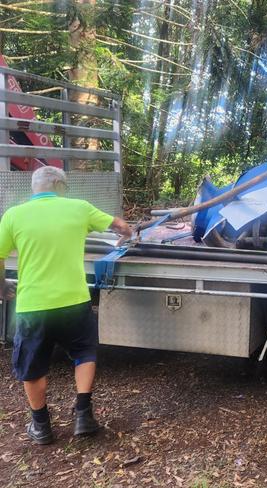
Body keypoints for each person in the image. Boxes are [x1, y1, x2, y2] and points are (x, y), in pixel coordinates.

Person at [0, 166, 132, 444]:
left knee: (32, 364)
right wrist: (127, 232)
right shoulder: (79, 208)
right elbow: (119, 226)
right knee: (84, 352)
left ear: (35, 187)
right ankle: (83, 415)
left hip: (33, 306)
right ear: (60, 186)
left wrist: (1, 287)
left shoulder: (13, 215)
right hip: (74, 301)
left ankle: (41, 427)